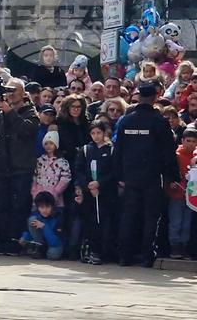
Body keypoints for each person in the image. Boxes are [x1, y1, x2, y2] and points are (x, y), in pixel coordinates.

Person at [112, 83, 179, 267]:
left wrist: (119, 174)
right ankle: (148, 255)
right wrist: (173, 175)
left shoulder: (127, 120)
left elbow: (118, 149)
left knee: (129, 215)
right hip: (152, 176)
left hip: (130, 175)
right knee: (151, 216)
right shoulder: (159, 121)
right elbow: (168, 151)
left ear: (139, 96)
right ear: (156, 97)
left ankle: (124, 255)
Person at [0, 79, 40, 246]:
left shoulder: (31, 112)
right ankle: (3, 240)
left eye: (14, 90)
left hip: (21, 168)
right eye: (8, 91)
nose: (11, 94)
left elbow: (26, 129)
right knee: (3, 206)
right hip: (3, 167)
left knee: (19, 207)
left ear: (24, 93)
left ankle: (15, 240)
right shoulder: (1, 112)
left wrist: (9, 111)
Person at [74, 121, 115, 264]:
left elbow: (114, 171)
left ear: (104, 133)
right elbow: (79, 170)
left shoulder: (111, 150)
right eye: (93, 133)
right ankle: (90, 250)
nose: (96, 136)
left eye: (99, 133)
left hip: (106, 192)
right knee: (90, 221)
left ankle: (102, 251)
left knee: (104, 222)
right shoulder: (86, 150)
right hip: (89, 193)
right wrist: (88, 186)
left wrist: (100, 183)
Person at [167, 127, 197, 258]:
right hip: (177, 194)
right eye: (188, 140)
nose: (191, 144)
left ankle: (184, 246)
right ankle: (174, 246)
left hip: (191, 196)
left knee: (186, 223)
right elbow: (171, 174)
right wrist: (172, 183)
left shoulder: (195, 157)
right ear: (182, 141)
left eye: (194, 141)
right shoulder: (176, 156)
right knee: (176, 221)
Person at [31, 131, 71, 211]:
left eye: (51, 143)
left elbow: (65, 179)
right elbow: (34, 178)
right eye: (46, 144)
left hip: (55, 200)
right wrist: (34, 192)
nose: (48, 146)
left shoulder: (62, 162)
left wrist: (55, 192)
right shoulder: (39, 161)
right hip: (38, 200)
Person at [20, 191, 63, 259]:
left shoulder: (58, 217)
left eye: (48, 207)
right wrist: (24, 238)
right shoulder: (35, 215)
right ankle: (40, 248)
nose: (45, 210)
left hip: (55, 242)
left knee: (53, 255)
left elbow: (56, 242)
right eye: (42, 207)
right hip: (42, 241)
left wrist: (44, 226)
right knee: (32, 220)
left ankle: (44, 251)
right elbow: (28, 230)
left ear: (52, 206)